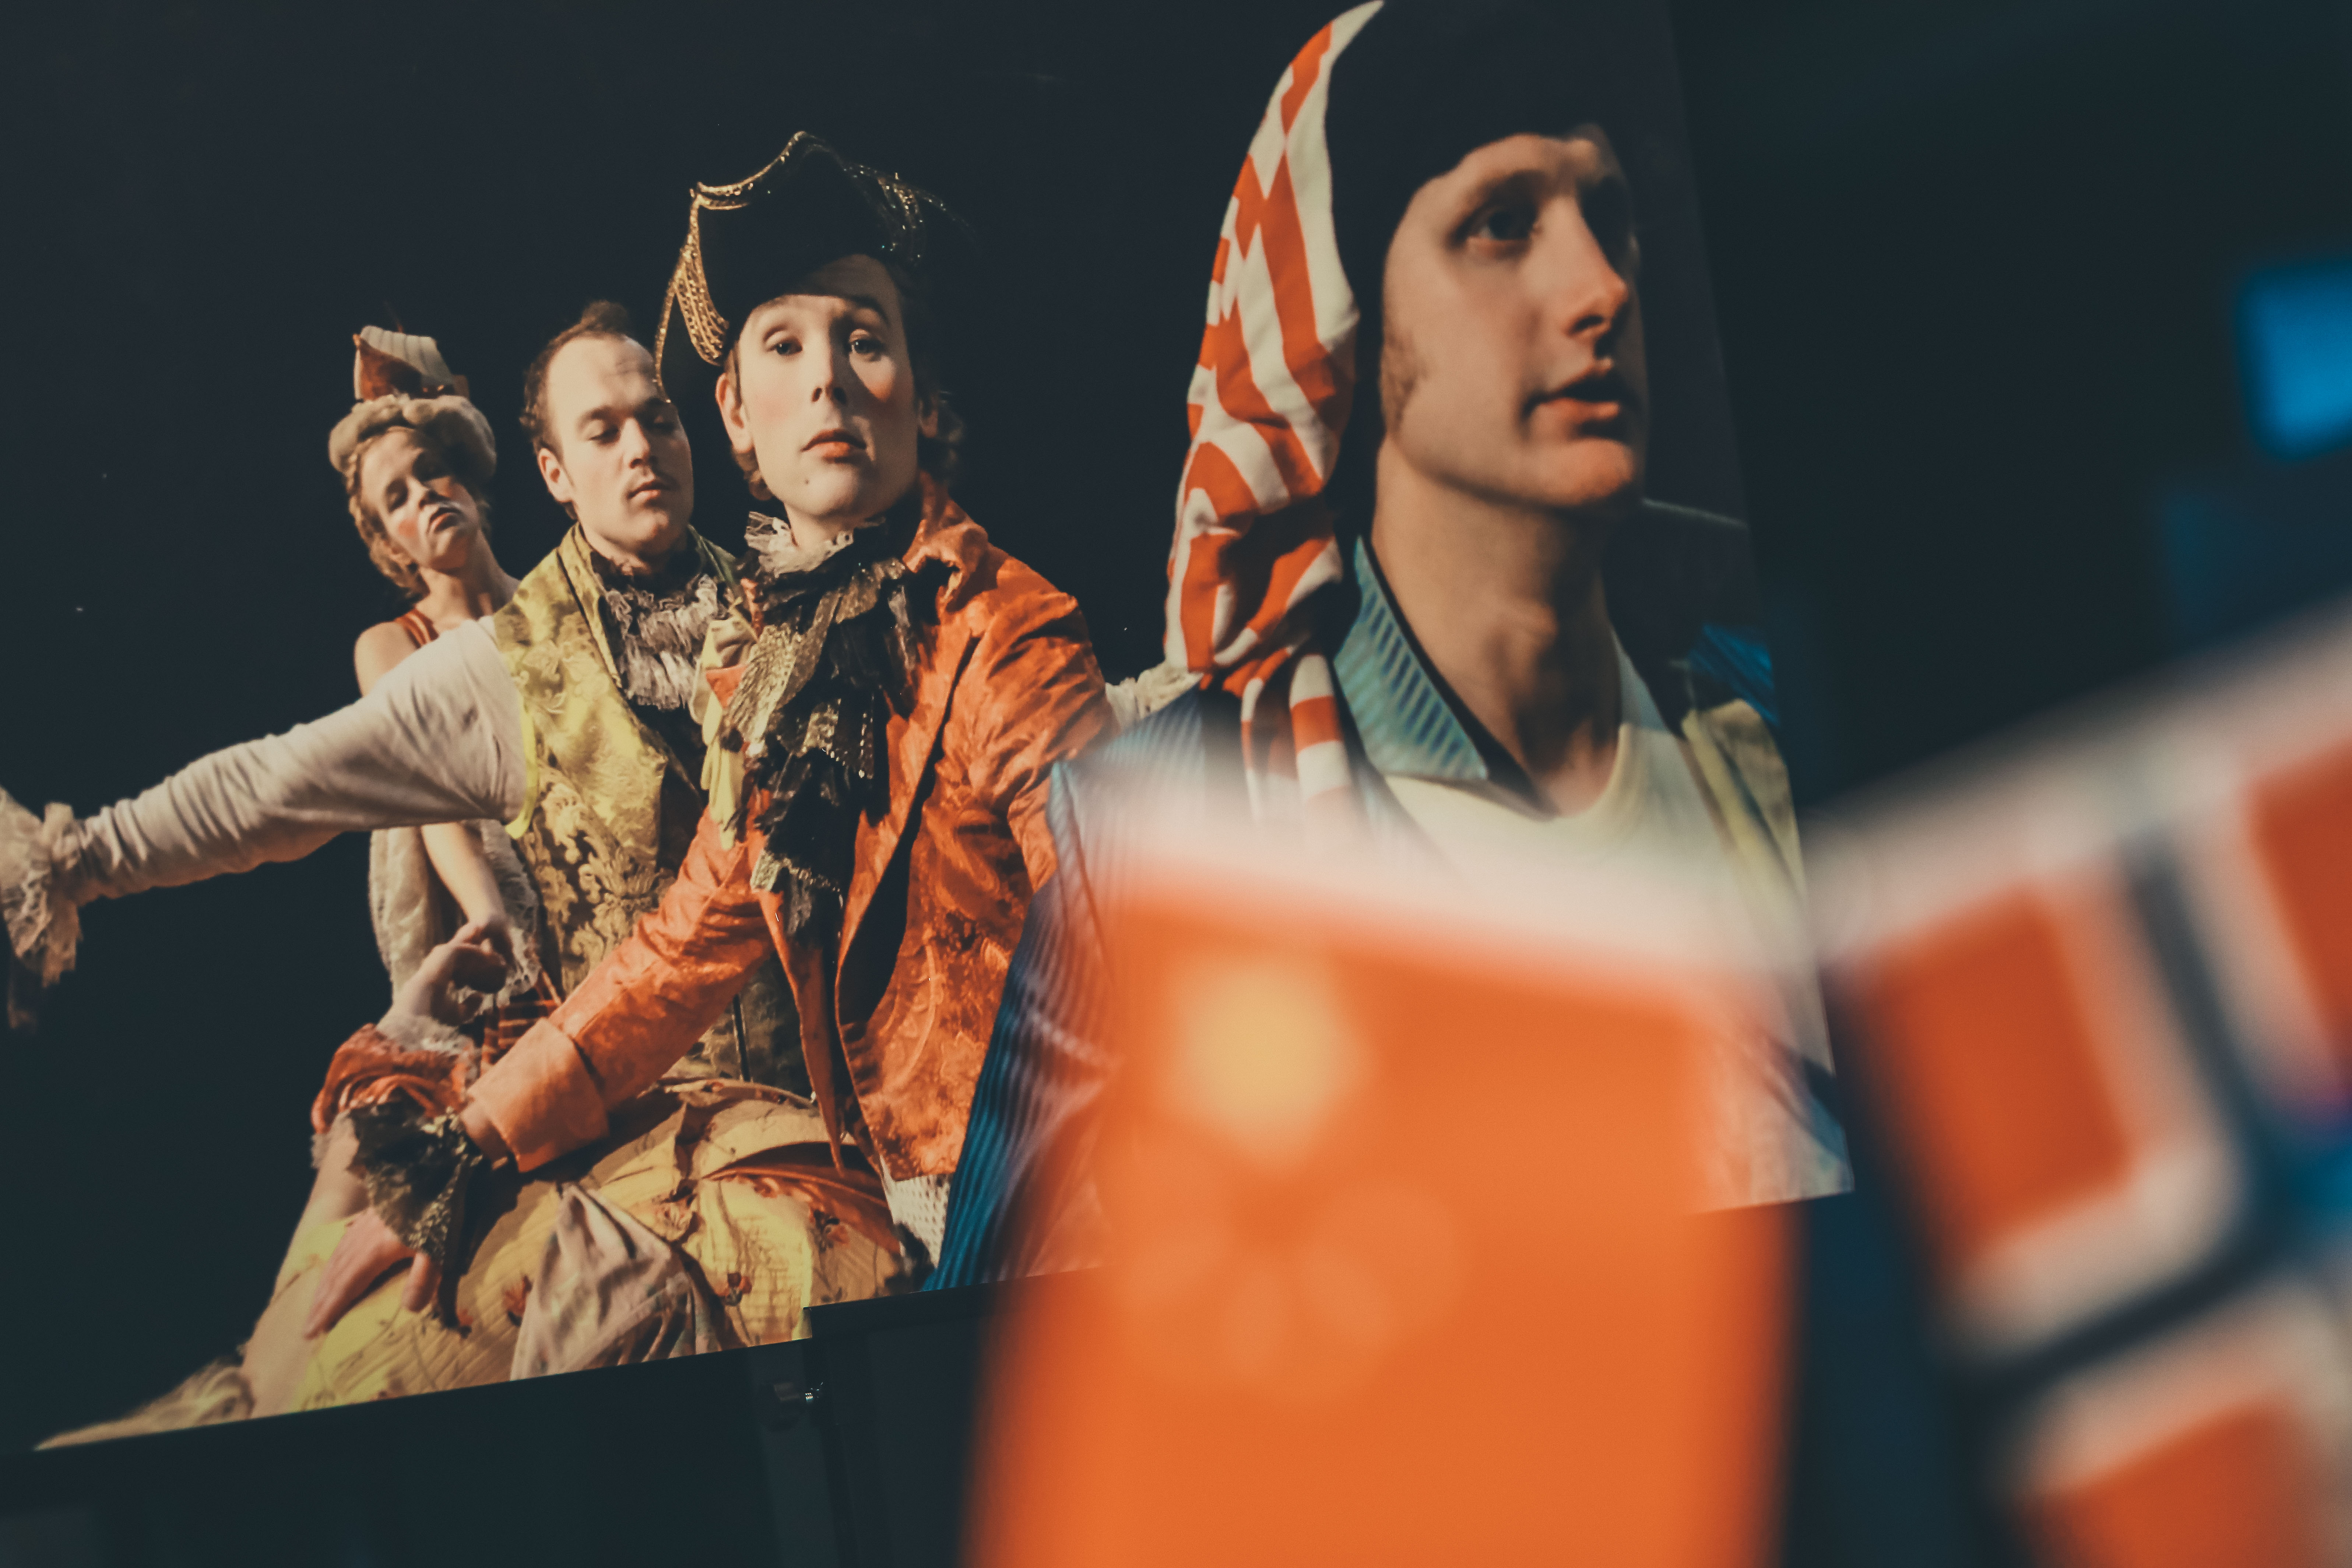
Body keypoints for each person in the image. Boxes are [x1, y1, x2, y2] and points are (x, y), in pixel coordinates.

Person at [932, 0, 1852, 1289]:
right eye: (1500, 223)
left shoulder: (1778, 712)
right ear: (1342, 317)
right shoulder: (1165, 842)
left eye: (1609, 215)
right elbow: (986, 1353)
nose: (1597, 287)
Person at [297, 133, 1114, 1336]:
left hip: (1047, 1228)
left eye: (865, 340)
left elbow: (1119, 964)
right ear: (735, 415)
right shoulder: (775, 667)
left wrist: (1001, 1250)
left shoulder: (1006, 634)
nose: (829, 381)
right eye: (785, 345)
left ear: (922, 397)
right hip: (884, 1201)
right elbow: (676, 952)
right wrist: (464, 1149)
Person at [332, 328, 535, 999]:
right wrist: (488, 911)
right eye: (397, 498)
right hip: (501, 902)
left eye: (430, 471)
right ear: (392, 547)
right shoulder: (392, 644)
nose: (422, 495)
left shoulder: (553, 599)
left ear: (466, 482)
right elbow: (432, 802)